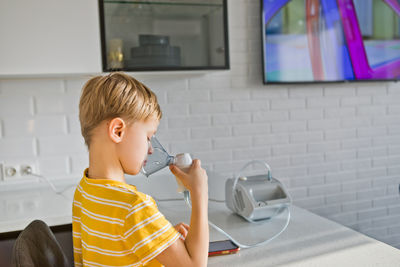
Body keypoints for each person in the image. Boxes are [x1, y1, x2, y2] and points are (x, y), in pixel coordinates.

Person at [72, 72, 209, 267]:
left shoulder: (84, 191)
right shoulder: (134, 208)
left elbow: (113, 250)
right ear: (117, 131)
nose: (151, 149)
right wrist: (199, 193)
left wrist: (159, 238)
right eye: (147, 137)